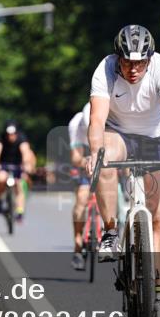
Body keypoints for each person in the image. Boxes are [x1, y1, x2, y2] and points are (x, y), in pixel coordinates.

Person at [83, 25, 160, 317]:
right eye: (127, 62)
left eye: (139, 63)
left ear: (149, 59)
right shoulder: (104, 69)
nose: (133, 69)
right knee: (103, 155)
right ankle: (110, 232)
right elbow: (97, 118)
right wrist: (94, 150)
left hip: (155, 136)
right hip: (118, 133)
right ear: (117, 57)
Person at [0, 121, 36, 222]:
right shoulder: (0, 138)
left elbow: (26, 152)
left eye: (13, 134)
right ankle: (0, 199)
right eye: (9, 134)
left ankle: (20, 211)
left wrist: (27, 164)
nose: (11, 136)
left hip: (18, 166)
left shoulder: (21, 138)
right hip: (4, 165)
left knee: (20, 185)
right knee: (1, 179)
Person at [68, 102, 91, 270]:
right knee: (82, 199)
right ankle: (78, 242)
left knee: (118, 200)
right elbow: (75, 158)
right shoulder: (76, 124)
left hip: (105, 163)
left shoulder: (112, 119)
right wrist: (88, 162)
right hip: (85, 164)